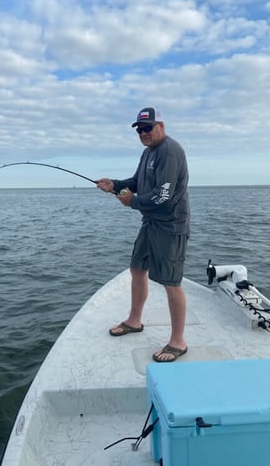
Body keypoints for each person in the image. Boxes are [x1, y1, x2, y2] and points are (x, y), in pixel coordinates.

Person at [97, 107, 190, 363]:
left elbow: (164, 195)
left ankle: (178, 341)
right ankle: (135, 320)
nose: (143, 133)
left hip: (171, 225)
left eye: (147, 128)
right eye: (139, 129)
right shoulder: (148, 153)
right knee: (137, 269)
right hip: (151, 222)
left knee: (171, 282)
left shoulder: (169, 151)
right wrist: (114, 185)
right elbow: (137, 182)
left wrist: (132, 202)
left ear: (161, 125)